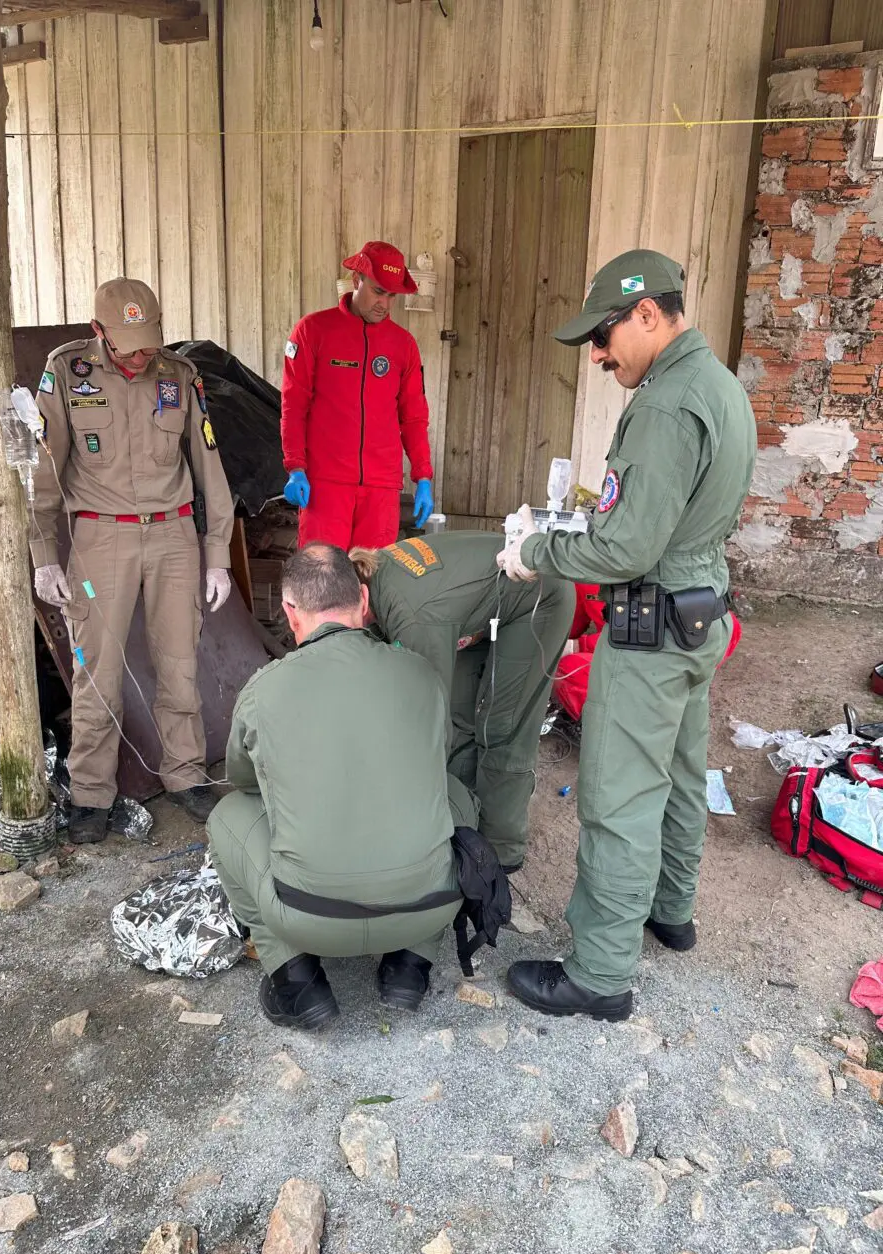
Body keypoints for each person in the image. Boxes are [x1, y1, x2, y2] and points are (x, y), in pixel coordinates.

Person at [498, 249, 756, 1022]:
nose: (598, 355)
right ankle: (671, 911)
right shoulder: (717, 384)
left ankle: (600, 973)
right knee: (679, 774)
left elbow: (625, 551)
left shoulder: (667, 405)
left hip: (651, 630)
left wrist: (535, 551)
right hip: (700, 615)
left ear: (647, 313)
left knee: (618, 797)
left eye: (602, 336)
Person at [206, 543, 480, 1031]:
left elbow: (244, 782)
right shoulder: (420, 672)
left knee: (225, 816)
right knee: (458, 795)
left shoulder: (264, 689)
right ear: (364, 600)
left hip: (309, 915)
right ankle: (410, 965)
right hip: (428, 906)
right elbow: (435, 761)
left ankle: (296, 978)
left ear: (290, 611)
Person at [31, 277, 235, 844]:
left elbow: (210, 469)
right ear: (98, 331)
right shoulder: (67, 373)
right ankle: (91, 792)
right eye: (129, 345)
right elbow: (44, 472)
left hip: (174, 535)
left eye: (149, 342)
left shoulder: (178, 375)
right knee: (97, 672)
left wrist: (217, 556)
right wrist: (44, 555)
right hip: (101, 538)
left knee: (180, 663)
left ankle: (186, 774)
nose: (142, 355)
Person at [350, 532, 575, 872]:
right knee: (459, 713)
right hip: (478, 608)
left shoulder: (413, 615)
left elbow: (428, 720)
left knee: (502, 726)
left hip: (538, 597)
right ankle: (464, 823)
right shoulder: (371, 575)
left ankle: (500, 853)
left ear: (361, 600)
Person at [280, 241, 434, 550]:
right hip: (326, 484)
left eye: (392, 296)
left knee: (372, 575)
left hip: (381, 488)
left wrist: (423, 477)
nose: (384, 304)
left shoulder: (403, 345)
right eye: (378, 291)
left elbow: (414, 418)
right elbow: (293, 406)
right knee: (323, 574)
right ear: (356, 280)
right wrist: (295, 467)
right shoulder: (313, 331)